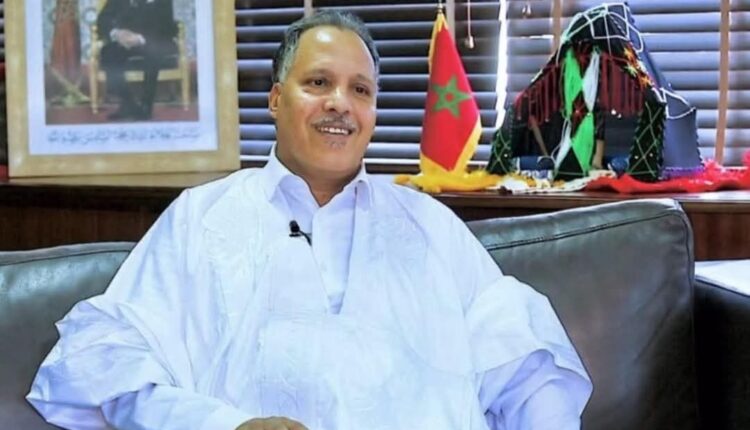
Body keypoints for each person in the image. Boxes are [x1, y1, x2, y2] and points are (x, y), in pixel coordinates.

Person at [28, 10, 592, 430]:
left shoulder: (429, 224)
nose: (340, 103)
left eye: (360, 90)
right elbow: (113, 362)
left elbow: (527, 369)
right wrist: (228, 427)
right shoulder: (201, 218)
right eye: (318, 83)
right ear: (276, 99)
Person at [96, 0, 178, 120]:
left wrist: (140, 38)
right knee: (108, 52)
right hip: (125, 41)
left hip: (153, 40)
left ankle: (146, 105)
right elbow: (103, 19)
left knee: (153, 53)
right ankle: (128, 103)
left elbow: (166, 26)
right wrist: (117, 33)